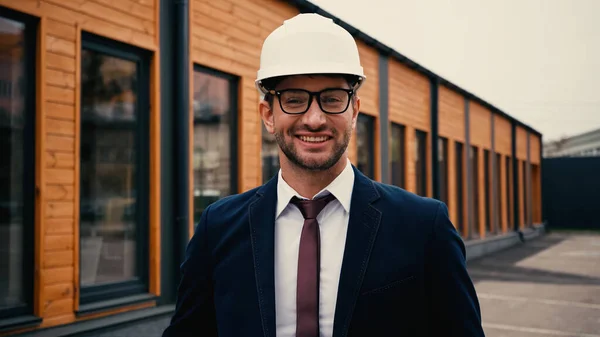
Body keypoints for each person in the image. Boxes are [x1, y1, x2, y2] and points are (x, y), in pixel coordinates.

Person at [162, 13, 485, 337]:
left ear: (354, 110)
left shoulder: (423, 225)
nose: (314, 119)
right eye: (294, 100)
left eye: (331, 99)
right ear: (268, 115)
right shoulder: (218, 227)